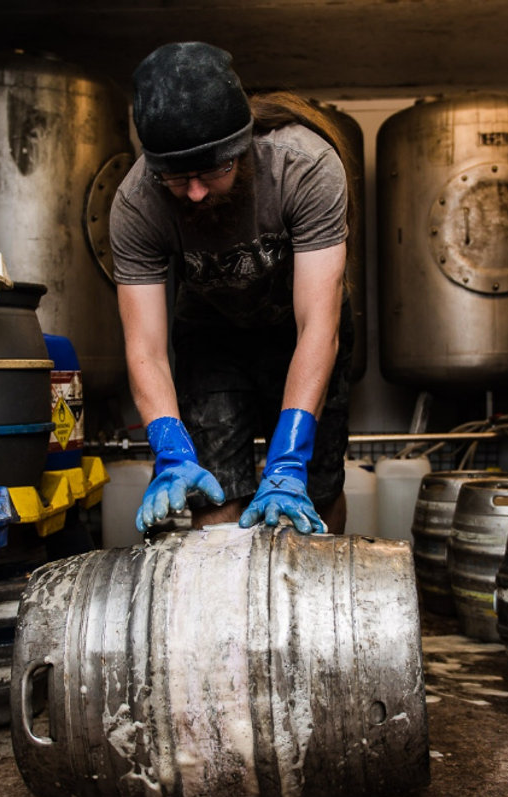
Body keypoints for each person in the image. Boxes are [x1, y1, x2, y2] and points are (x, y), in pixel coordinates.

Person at [109, 41, 354, 536]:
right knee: (215, 494)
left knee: (317, 489)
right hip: (212, 334)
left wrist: (287, 462)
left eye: (213, 169)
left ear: (241, 146)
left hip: (300, 331)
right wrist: (171, 451)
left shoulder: (303, 165)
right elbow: (146, 349)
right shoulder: (136, 205)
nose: (195, 191)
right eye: (178, 177)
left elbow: (317, 327)